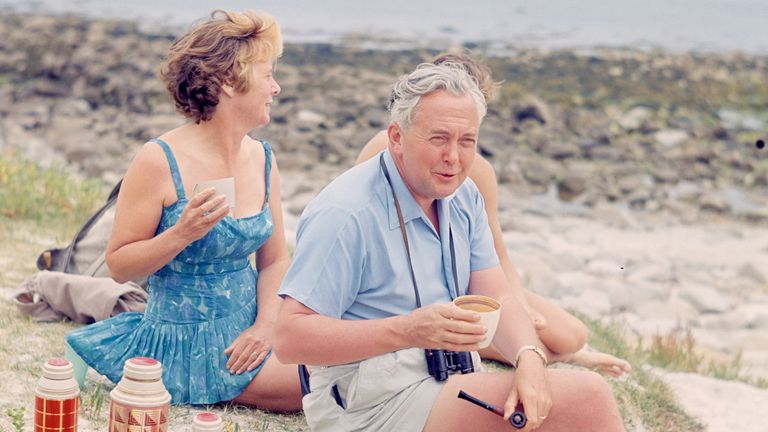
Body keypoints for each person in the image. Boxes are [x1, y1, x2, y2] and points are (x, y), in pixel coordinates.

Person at [274, 63, 625, 431]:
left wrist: (529, 358)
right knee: (589, 396)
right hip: (368, 404)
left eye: (466, 141)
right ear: (396, 137)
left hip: (445, 380)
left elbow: (497, 296)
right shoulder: (346, 213)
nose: (454, 158)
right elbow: (289, 339)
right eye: (439, 138)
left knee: (553, 398)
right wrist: (407, 330)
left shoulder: (464, 194)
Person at [65, 9, 301, 410]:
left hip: (252, 326)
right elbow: (120, 265)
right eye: (267, 74)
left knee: (345, 351)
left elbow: (275, 259)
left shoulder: (263, 158)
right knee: (327, 384)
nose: (276, 88)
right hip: (186, 342)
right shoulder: (158, 159)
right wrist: (181, 233)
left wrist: (265, 326)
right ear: (229, 81)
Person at [355, 52, 631, 377]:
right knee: (535, 347)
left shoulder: (480, 172)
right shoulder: (385, 147)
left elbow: (497, 254)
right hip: (411, 291)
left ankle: (567, 353)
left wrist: (519, 305)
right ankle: (562, 358)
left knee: (572, 334)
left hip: (468, 279)